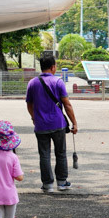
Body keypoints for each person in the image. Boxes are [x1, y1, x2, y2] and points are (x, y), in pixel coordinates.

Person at [25, 55, 78, 192]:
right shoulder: (58, 82)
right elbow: (67, 104)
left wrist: (34, 117)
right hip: (58, 124)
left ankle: (47, 185)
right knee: (60, 153)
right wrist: (74, 123)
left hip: (41, 125)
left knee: (44, 154)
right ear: (53, 67)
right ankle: (62, 182)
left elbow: (29, 104)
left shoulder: (32, 83)